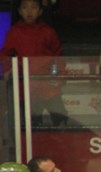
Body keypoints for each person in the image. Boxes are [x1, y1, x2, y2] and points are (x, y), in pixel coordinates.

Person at [0, 0, 67, 128]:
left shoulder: (48, 31)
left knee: (61, 119)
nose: (29, 11)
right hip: (26, 86)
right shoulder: (14, 32)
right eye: (25, 8)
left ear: (40, 11)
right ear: (19, 11)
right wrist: (8, 69)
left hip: (48, 86)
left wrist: (56, 75)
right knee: (32, 124)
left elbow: (57, 57)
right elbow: (5, 55)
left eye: (34, 7)